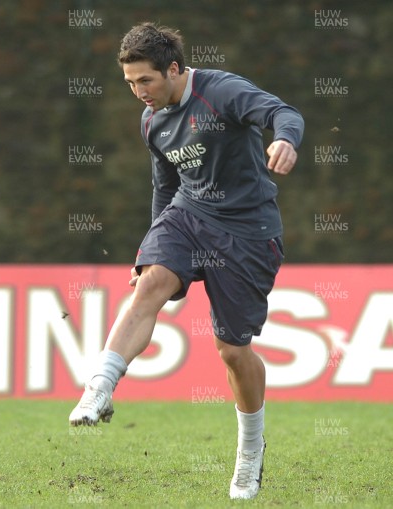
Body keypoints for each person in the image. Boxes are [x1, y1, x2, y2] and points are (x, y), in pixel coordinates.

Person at [69, 22, 303, 500]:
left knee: (233, 352)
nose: (138, 92)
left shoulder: (221, 91)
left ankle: (251, 451)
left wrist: (285, 139)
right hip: (189, 214)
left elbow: (283, 112)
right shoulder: (152, 120)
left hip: (247, 232)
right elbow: (165, 185)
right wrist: (152, 245)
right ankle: (99, 386)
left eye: (146, 81)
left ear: (174, 69)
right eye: (130, 83)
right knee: (149, 283)